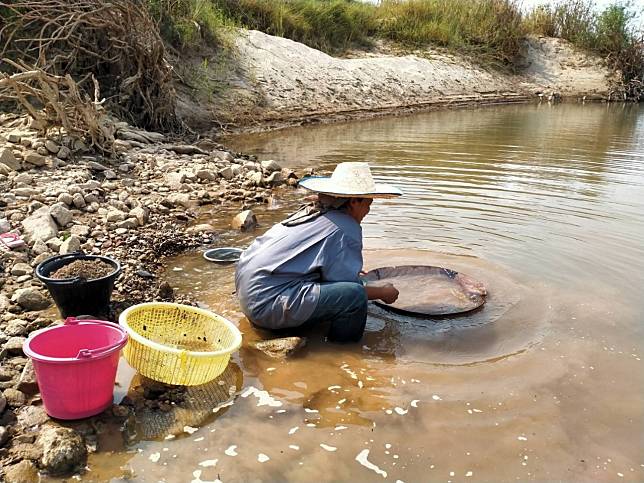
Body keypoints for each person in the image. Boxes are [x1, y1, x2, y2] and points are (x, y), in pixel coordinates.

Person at [235, 162, 402, 342]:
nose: (368, 211)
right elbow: (350, 289)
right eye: (368, 204)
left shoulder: (310, 211)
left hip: (248, 293)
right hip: (266, 306)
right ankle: (343, 354)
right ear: (354, 201)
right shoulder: (346, 228)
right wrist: (383, 292)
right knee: (354, 297)